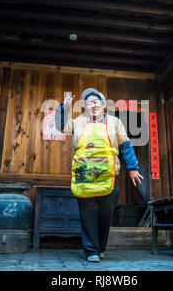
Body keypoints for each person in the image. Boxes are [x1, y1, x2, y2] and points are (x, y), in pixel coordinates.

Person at [55, 88, 143, 262]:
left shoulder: (115, 122)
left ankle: (100, 247)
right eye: (88, 103)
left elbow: (125, 145)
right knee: (88, 215)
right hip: (85, 175)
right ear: (85, 107)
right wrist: (64, 108)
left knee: (105, 215)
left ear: (103, 104)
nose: (92, 105)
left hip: (108, 176)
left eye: (95, 101)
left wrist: (133, 167)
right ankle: (91, 251)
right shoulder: (78, 122)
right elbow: (61, 127)